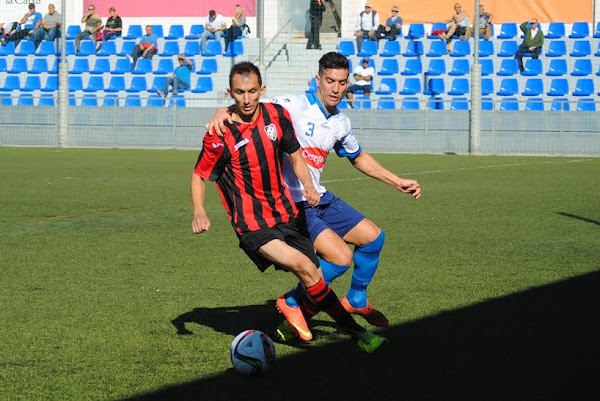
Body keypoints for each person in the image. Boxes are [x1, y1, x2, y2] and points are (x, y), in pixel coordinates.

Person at [207, 53, 422, 343]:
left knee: (373, 238)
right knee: (341, 257)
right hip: (292, 203)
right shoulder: (293, 106)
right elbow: (249, 103)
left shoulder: (341, 123)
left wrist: (397, 181)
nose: (335, 88)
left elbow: (358, 158)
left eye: (342, 82)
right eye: (329, 81)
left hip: (319, 197)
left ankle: (355, 299)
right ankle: (295, 301)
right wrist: (223, 110)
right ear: (317, 79)